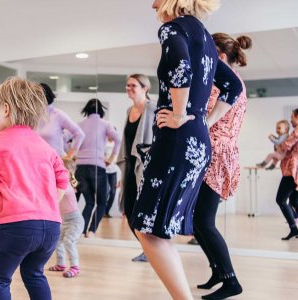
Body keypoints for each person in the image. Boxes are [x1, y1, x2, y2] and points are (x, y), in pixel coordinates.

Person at [129, 1, 243, 299]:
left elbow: (180, 68)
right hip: (195, 139)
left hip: (177, 139)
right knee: (155, 228)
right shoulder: (203, 35)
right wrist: (203, 121)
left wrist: (179, 114)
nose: (151, 2)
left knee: (147, 227)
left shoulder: (172, 28)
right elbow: (232, 86)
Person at [0, 77, 68, 299]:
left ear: (6, 109)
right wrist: (49, 205)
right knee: (34, 273)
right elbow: (63, 179)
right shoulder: (45, 146)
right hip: (51, 228)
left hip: (16, 228)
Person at [193, 32, 252, 300]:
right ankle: (219, 271)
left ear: (218, 54)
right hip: (216, 153)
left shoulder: (223, 81)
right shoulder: (231, 80)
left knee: (204, 221)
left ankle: (231, 281)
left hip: (217, 154)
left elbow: (202, 114)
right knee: (198, 221)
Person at [36, 83, 85, 278]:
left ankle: (70, 262)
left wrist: (70, 155)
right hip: (39, 168)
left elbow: (79, 133)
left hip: (57, 166)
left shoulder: (57, 114)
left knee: (57, 203)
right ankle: (54, 256)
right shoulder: (32, 116)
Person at [116, 73, 156, 262]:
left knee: (145, 211)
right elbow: (126, 142)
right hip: (131, 167)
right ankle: (148, 249)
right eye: (127, 86)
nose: (129, 89)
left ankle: (154, 251)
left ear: (145, 88)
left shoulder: (153, 109)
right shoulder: (129, 111)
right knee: (130, 210)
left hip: (148, 168)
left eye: (133, 86)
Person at [76, 98, 121, 238]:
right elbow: (118, 139)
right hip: (97, 167)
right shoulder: (105, 124)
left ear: (86, 110)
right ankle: (92, 231)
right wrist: (112, 158)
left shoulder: (79, 125)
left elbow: (65, 138)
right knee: (102, 201)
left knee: (89, 202)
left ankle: (82, 231)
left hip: (80, 168)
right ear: (102, 110)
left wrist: (71, 154)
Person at [275, 108, 298, 240]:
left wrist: (278, 143)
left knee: (281, 200)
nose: (290, 120)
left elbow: (285, 146)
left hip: (292, 170)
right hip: (293, 170)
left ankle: (294, 228)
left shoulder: (296, 131)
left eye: (292, 117)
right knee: (294, 200)